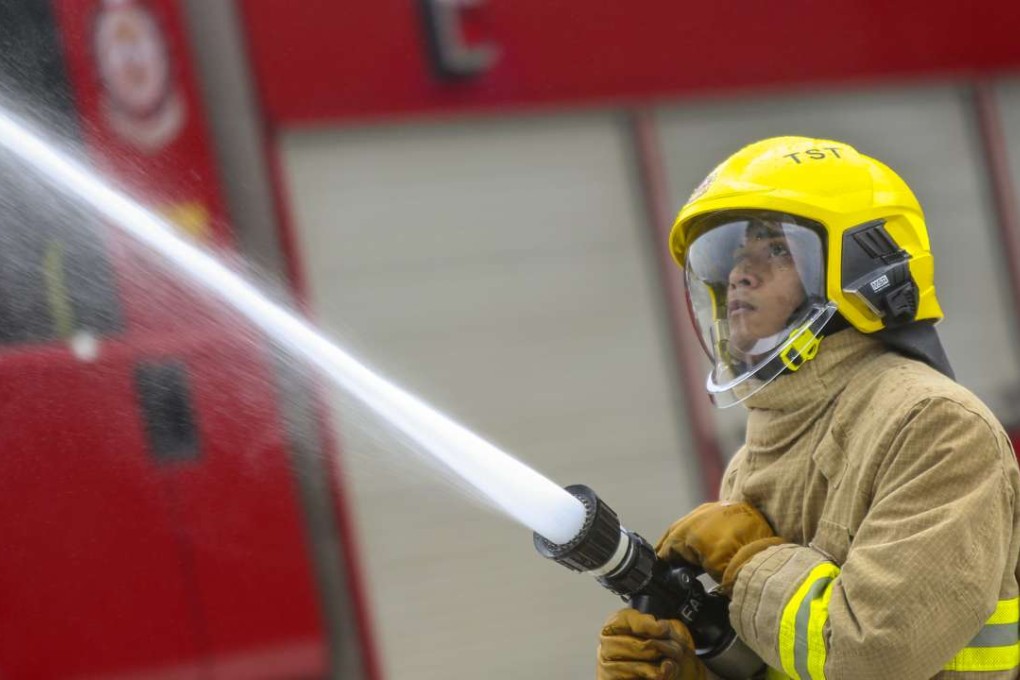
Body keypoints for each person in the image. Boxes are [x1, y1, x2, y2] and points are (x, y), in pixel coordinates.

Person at [596, 136, 1020, 679]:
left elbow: (872, 654)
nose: (738, 276)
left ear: (863, 265)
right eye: (730, 258)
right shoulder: (757, 454)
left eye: (775, 250)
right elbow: (790, 656)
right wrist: (697, 669)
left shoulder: (934, 427)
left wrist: (751, 563)